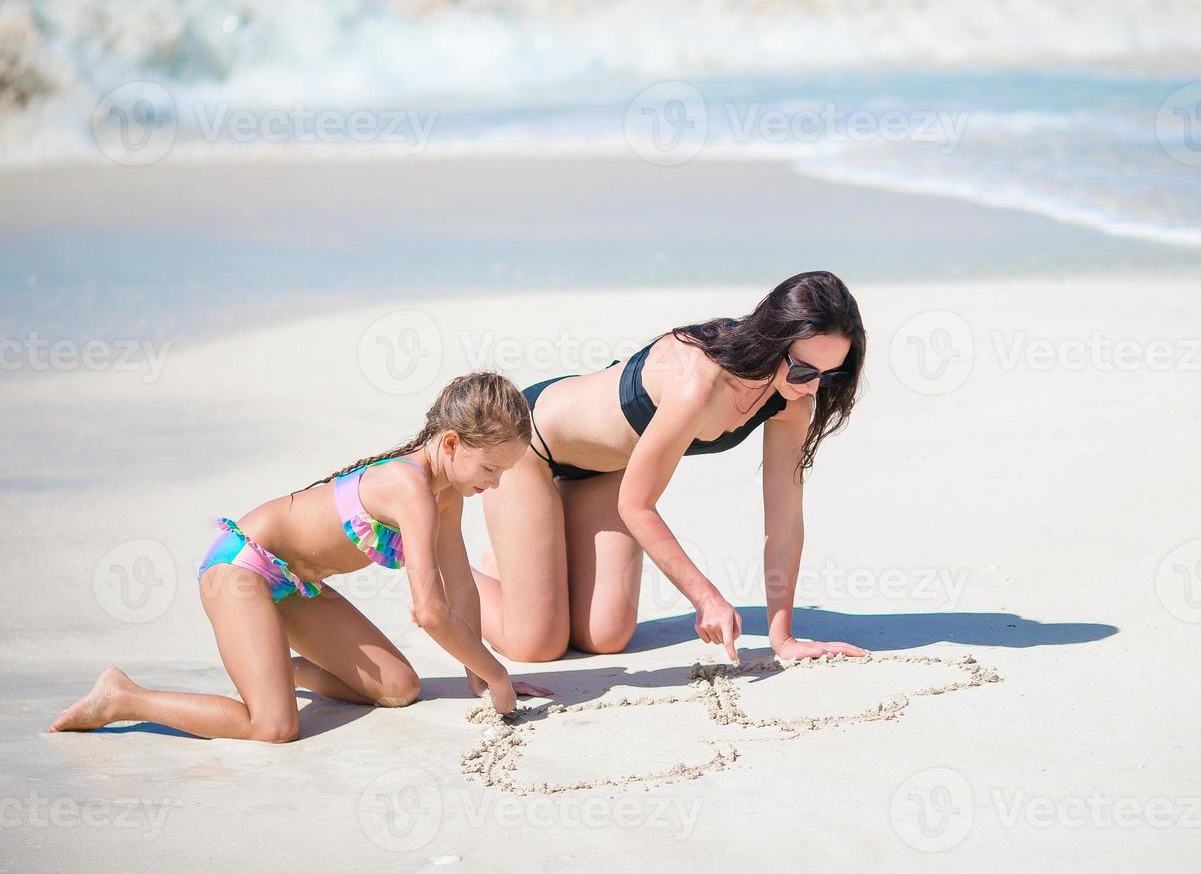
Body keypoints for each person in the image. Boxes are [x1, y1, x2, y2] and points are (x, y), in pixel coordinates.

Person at [51, 372, 550, 741]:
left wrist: (479, 677)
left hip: (293, 586)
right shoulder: (408, 487)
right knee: (273, 727)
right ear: (450, 443)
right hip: (240, 570)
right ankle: (123, 697)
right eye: (490, 467)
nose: (496, 483)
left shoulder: (448, 496)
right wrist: (501, 675)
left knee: (400, 686)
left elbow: (459, 586)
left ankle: (279, 667)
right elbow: (429, 610)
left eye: (504, 473)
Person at [476, 271, 868, 663]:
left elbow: (784, 524)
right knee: (537, 644)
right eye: (804, 371)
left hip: (609, 470)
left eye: (830, 375)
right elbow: (637, 505)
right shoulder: (697, 381)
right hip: (531, 448)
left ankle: (528, 551)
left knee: (605, 636)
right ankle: (444, 574)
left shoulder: (792, 399)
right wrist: (705, 597)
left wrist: (782, 638)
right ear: (773, 339)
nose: (814, 388)